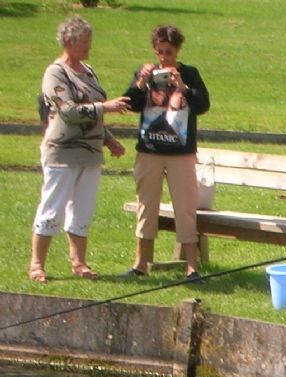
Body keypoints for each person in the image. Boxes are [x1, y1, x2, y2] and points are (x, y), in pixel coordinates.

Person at [29, 16, 130, 284]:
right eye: (84, 42)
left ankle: (79, 263)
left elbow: (94, 113)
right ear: (68, 42)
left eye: (89, 41)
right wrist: (105, 107)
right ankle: (37, 264)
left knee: (83, 208)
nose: (88, 47)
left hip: (90, 153)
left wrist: (108, 139)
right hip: (62, 152)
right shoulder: (56, 73)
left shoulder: (89, 71)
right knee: (53, 206)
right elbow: (69, 111)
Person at [122, 24, 210, 280]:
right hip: (149, 149)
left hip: (180, 151)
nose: (164, 58)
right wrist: (141, 82)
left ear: (178, 51)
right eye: (160, 52)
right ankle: (141, 263)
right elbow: (132, 104)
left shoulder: (190, 74)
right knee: (146, 205)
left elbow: (203, 105)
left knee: (185, 207)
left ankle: (191, 266)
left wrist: (182, 86)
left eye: (169, 52)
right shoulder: (144, 73)